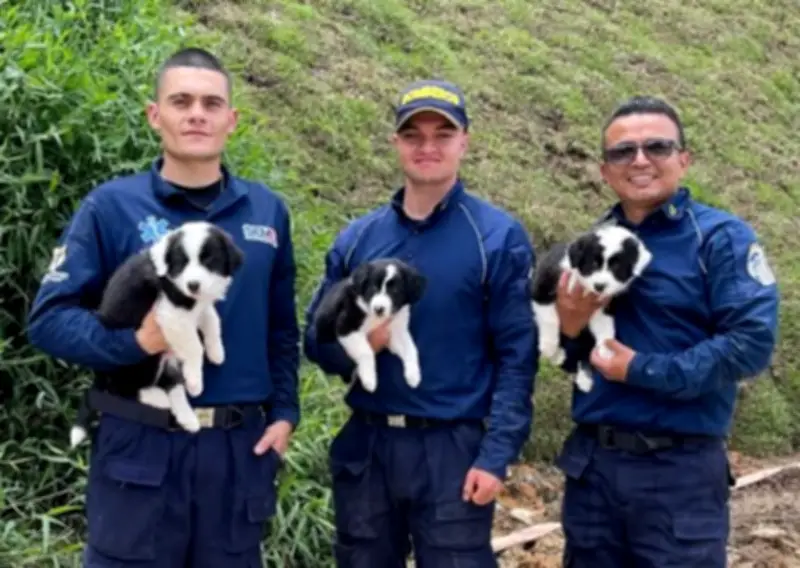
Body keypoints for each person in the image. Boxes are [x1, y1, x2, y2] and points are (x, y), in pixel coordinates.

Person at [26, 47, 300, 568]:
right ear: (156, 115)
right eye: (181, 101)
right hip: (138, 446)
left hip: (235, 453)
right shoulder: (110, 207)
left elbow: (281, 328)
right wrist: (135, 342)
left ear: (231, 120)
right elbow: (49, 320)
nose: (196, 113)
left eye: (211, 103)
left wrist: (285, 414)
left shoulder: (267, 212)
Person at [303, 79, 538, 567]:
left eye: (442, 134)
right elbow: (316, 343)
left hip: (451, 447)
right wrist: (363, 342)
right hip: (367, 444)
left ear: (465, 142)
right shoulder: (357, 239)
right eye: (413, 135)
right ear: (396, 143)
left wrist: (495, 456)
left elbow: (518, 356)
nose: (427, 147)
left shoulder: (496, 238)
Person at [554, 95, 780, 568]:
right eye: (622, 152)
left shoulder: (720, 240)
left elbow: (750, 344)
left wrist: (641, 370)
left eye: (656, 146)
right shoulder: (591, 243)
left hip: (679, 472)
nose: (639, 160)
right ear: (604, 170)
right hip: (593, 469)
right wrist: (569, 328)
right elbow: (569, 354)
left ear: (684, 158)